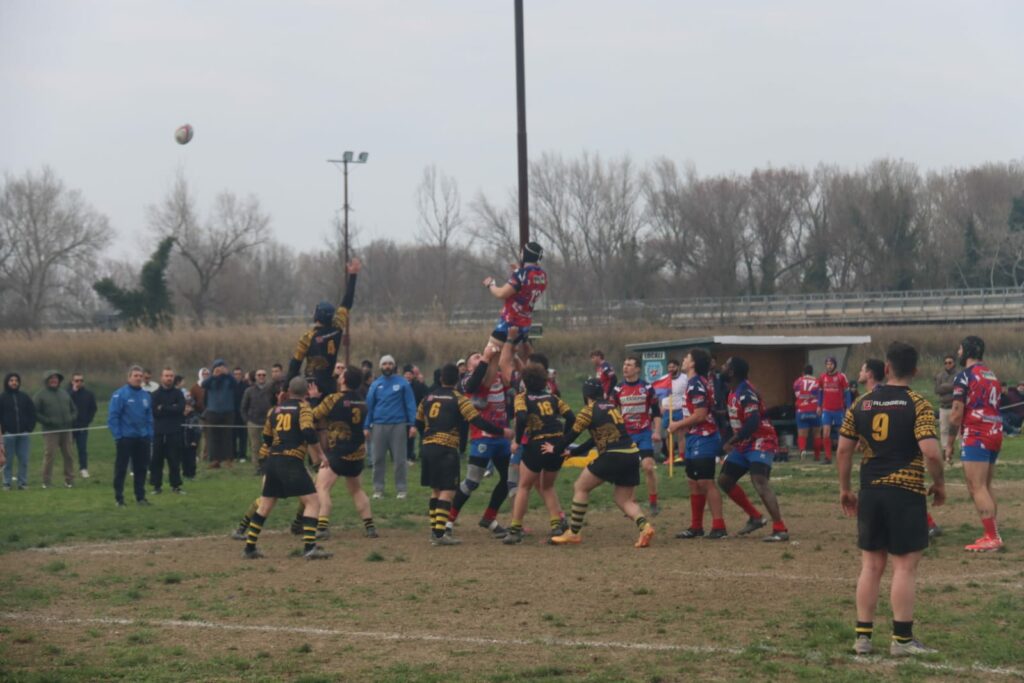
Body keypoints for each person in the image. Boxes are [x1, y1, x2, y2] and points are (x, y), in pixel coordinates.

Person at [837, 341, 945, 656]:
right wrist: (939, 483)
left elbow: (843, 450)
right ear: (915, 370)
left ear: (886, 368)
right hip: (905, 492)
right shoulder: (918, 404)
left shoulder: (861, 403)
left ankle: (862, 637)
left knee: (871, 565)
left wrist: (845, 489)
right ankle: (902, 640)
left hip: (870, 491)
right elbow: (931, 453)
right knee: (904, 567)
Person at [544, 377, 655, 548]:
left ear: (585, 395)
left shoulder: (588, 411)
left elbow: (571, 435)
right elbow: (594, 439)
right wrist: (573, 452)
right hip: (632, 454)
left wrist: (555, 449)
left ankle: (574, 533)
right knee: (623, 499)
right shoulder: (611, 407)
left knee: (580, 487)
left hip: (612, 455)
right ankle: (645, 527)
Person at [416, 363, 507, 546]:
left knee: (436, 490)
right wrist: (502, 431)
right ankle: (440, 535)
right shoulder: (459, 399)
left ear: (440, 378)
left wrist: (427, 435)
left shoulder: (427, 398)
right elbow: (478, 421)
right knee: (448, 490)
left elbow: (418, 421)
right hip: (446, 448)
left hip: (428, 446)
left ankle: (435, 531)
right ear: (457, 379)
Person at [242, 376, 331, 560]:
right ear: (306, 393)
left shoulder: (274, 410)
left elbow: (267, 438)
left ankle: (249, 548)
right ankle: (310, 547)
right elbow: (308, 432)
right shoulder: (304, 409)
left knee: (265, 505)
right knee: (313, 502)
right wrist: (321, 454)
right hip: (291, 460)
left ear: (289, 391)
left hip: (273, 460)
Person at [501, 363, 574, 545]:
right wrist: (564, 440)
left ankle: (515, 529)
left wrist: (517, 441)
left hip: (537, 445)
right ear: (544, 381)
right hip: (555, 446)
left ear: (525, 382)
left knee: (524, 486)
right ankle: (556, 525)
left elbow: (521, 418)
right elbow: (572, 417)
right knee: (547, 486)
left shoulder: (522, 398)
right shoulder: (553, 397)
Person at [718, 357, 789, 542]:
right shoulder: (733, 390)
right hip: (744, 443)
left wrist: (732, 440)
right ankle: (755, 517)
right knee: (725, 480)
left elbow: (753, 421)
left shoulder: (745, 392)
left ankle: (780, 528)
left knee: (759, 480)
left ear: (732, 372)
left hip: (761, 439)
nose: (721, 367)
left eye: (725, 365)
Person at [946, 335, 1004, 552]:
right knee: (985, 486)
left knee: (976, 486)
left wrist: (949, 443)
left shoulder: (964, 376)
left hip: (977, 433)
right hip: (995, 431)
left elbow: (956, 413)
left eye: (960, 349)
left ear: (968, 351)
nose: (958, 353)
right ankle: (993, 533)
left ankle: (992, 537)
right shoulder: (991, 374)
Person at [451, 344, 514, 535]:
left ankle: (489, 518)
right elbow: (473, 385)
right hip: (483, 438)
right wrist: (486, 358)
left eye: (480, 355)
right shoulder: (468, 379)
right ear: (469, 366)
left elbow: (508, 373)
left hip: (502, 438)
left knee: (508, 479)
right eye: (475, 357)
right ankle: (447, 521)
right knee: (472, 482)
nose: (480, 358)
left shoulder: (497, 377)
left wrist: (509, 347)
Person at [311, 367, 377, 540]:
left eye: (341, 375)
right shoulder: (362, 401)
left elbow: (313, 416)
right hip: (357, 454)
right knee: (356, 490)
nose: (339, 376)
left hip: (337, 454)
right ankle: (370, 527)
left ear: (344, 380)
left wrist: (313, 399)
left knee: (321, 487)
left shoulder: (333, 399)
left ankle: (322, 527)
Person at [669, 349, 727, 539]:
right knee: (693, 482)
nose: (683, 360)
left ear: (693, 363)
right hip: (694, 437)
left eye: (687, 357)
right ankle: (696, 526)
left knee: (706, 482)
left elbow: (700, 415)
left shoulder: (696, 384)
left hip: (705, 437)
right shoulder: (694, 382)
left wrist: (678, 424)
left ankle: (719, 526)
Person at [287, 259, 361, 395]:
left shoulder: (307, 337)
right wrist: (353, 276)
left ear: (316, 315)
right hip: (329, 385)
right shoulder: (337, 327)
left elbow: (295, 364)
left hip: (311, 386)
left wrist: (286, 387)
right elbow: (347, 302)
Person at [611, 356, 662, 516]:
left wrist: (657, 431)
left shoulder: (647, 388)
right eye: (624, 364)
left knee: (648, 467)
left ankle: (653, 502)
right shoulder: (618, 389)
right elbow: (611, 412)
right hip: (626, 435)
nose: (625, 367)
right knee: (629, 469)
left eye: (629, 365)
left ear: (638, 369)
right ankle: (630, 503)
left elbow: (656, 412)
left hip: (644, 433)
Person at [364, 355, 417, 499]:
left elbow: (410, 404)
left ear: (394, 366)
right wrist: (366, 426)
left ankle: (401, 489)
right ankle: (378, 489)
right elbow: (369, 407)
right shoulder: (375, 384)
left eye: (390, 364)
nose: (387, 366)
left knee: (400, 459)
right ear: (380, 366)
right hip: (379, 425)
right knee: (378, 459)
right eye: (384, 364)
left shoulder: (403, 383)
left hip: (398, 425)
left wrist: (413, 424)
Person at [482, 241, 547, 353]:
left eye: (522, 252)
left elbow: (501, 293)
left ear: (526, 255)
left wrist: (491, 285)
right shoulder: (542, 275)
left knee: (490, 354)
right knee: (510, 357)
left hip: (510, 323)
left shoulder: (521, 274)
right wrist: (518, 271)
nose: (520, 253)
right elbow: (527, 287)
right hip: (525, 324)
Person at [109, 366, 154, 507]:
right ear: (129, 377)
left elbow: (149, 417)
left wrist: (149, 434)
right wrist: (119, 436)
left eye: (140, 376)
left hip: (142, 438)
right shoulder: (120, 394)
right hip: (126, 438)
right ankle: (119, 498)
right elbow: (113, 417)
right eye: (135, 375)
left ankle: (140, 497)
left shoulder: (146, 396)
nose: (138, 378)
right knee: (121, 469)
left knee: (141, 468)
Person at [34, 370, 77, 489]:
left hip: (66, 430)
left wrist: (71, 418)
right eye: (51, 378)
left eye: (56, 378)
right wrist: (48, 421)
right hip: (50, 431)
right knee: (50, 456)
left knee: (69, 455)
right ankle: (46, 482)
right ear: (47, 380)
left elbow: (74, 409)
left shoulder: (64, 393)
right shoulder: (40, 395)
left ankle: (69, 480)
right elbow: (35, 412)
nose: (54, 380)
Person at [150, 367, 186, 495]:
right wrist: (171, 408)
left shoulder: (178, 394)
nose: (169, 378)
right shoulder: (155, 395)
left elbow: (180, 409)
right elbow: (155, 412)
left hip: (174, 431)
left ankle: (175, 486)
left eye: (171, 376)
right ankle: (156, 486)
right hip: (159, 432)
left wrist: (164, 408)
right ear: (161, 377)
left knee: (174, 460)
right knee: (156, 460)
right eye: (166, 376)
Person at [1, 373, 36, 490]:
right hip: (8, 435)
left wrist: (29, 428)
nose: (14, 382)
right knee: (8, 461)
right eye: (11, 380)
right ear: (7, 382)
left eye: (16, 380)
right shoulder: (2, 398)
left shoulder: (24, 397)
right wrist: (4, 430)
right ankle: (7, 483)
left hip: (23, 434)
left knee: (24, 460)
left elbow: (32, 412)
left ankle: (22, 483)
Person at [202, 359, 239, 468]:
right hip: (212, 411)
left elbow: (236, 383)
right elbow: (203, 384)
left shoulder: (229, 379)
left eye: (222, 367)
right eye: (217, 367)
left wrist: (228, 374)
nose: (220, 369)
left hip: (228, 411)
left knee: (227, 436)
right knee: (213, 436)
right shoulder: (211, 379)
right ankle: (215, 460)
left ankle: (228, 459)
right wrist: (213, 376)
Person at [817, 356, 851, 465]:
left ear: (835, 365)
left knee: (841, 433)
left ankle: (842, 455)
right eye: (827, 364)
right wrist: (819, 406)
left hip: (838, 410)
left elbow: (847, 392)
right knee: (825, 432)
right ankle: (828, 457)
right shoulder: (822, 377)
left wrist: (848, 407)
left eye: (831, 364)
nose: (829, 366)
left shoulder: (841, 377)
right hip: (826, 410)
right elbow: (820, 392)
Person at [241, 369, 275, 474]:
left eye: (263, 375)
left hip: (268, 422)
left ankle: (268, 467)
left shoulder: (271, 390)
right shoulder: (249, 391)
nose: (261, 377)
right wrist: (247, 420)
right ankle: (257, 468)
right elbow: (243, 407)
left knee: (269, 446)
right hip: (253, 422)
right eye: (259, 375)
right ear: (255, 377)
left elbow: (275, 404)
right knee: (255, 446)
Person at [67, 373, 97, 479]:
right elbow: (65, 405)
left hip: (82, 426)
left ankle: (83, 469)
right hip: (69, 427)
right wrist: (73, 392)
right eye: (76, 380)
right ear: (72, 382)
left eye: (81, 380)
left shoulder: (88, 394)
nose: (79, 382)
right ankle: (68, 469)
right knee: (68, 450)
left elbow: (93, 408)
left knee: (82, 449)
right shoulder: (67, 394)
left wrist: (87, 421)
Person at [793, 365, 822, 461]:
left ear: (803, 372)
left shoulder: (798, 381)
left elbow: (797, 394)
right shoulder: (817, 382)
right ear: (812, 372)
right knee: (817, 433)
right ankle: (817, 456)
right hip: (815, 410)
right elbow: (820, 395)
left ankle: (802, 450)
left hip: (802, 410)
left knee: (802, 434)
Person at [403, 364, 429, 464]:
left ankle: (423, 454)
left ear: (413, 375)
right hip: (407, 415)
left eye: (410, 374)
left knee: (423, 434)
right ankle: (409, 455)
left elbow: (427, 394)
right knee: (409, 437)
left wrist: (423, 383)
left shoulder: (418, 385)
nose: (408, 376)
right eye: (406, 374)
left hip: (419, 413)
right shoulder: (401, 385)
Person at [933, 355, 957, 462]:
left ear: (954, 363)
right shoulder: (940, 375)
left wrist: (944, 386)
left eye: (950, 362)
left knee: (958, 430)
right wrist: (950, 387)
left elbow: (957, 387)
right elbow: (937, 390)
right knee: (943, 429)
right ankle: (945, 450)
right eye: (946, 363)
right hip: (943, 406)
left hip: (955, 406)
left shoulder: (958, 375)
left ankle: (962, 449)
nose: (948, 364)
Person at [232, 367, 249, 462]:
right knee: (233, 436)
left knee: (243, 436)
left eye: (239, 374)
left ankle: (242, 455)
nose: (237, 376)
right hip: (233, 414)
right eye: (235, 374)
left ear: (242, 375)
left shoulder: (246, 386)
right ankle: (234, 454)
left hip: (243, 414)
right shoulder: (231, 386)